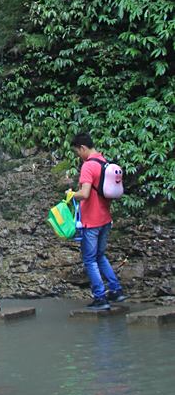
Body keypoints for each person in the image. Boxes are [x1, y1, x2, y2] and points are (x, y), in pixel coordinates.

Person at [69, 132, 125, 309]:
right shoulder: (104, 161)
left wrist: (70, 195)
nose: (78, 155)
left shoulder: (88, 166)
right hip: (105, 219)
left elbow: (84, 194)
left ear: (83, 148)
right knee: (100, 256)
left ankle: (100, 297)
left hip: (91, 221)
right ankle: (116, 291)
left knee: (90, 259)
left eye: (77, 151)